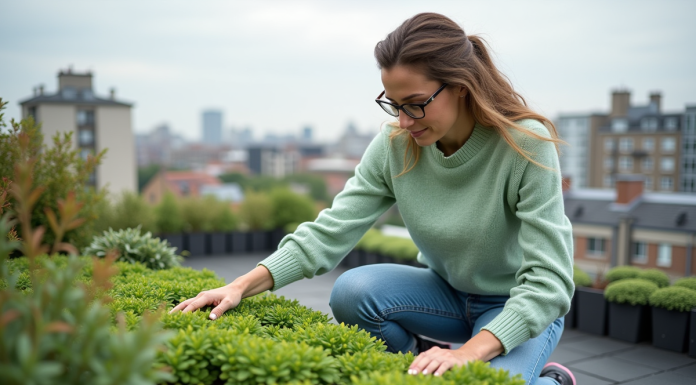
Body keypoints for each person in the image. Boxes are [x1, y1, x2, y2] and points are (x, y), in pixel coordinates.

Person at [170, 12, 576, 385]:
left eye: (415, 105)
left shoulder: (526, 146)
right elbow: (330, 231)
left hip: (516, 309)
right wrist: (240, 286)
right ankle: (419, 362)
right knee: (353, 290)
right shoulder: (396, 144)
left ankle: (551, 380)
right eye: (394, 105)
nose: (402, 121)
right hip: (445, 295)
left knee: (478, 381)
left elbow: (550, 284)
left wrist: (470, 354)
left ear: (461, 88)